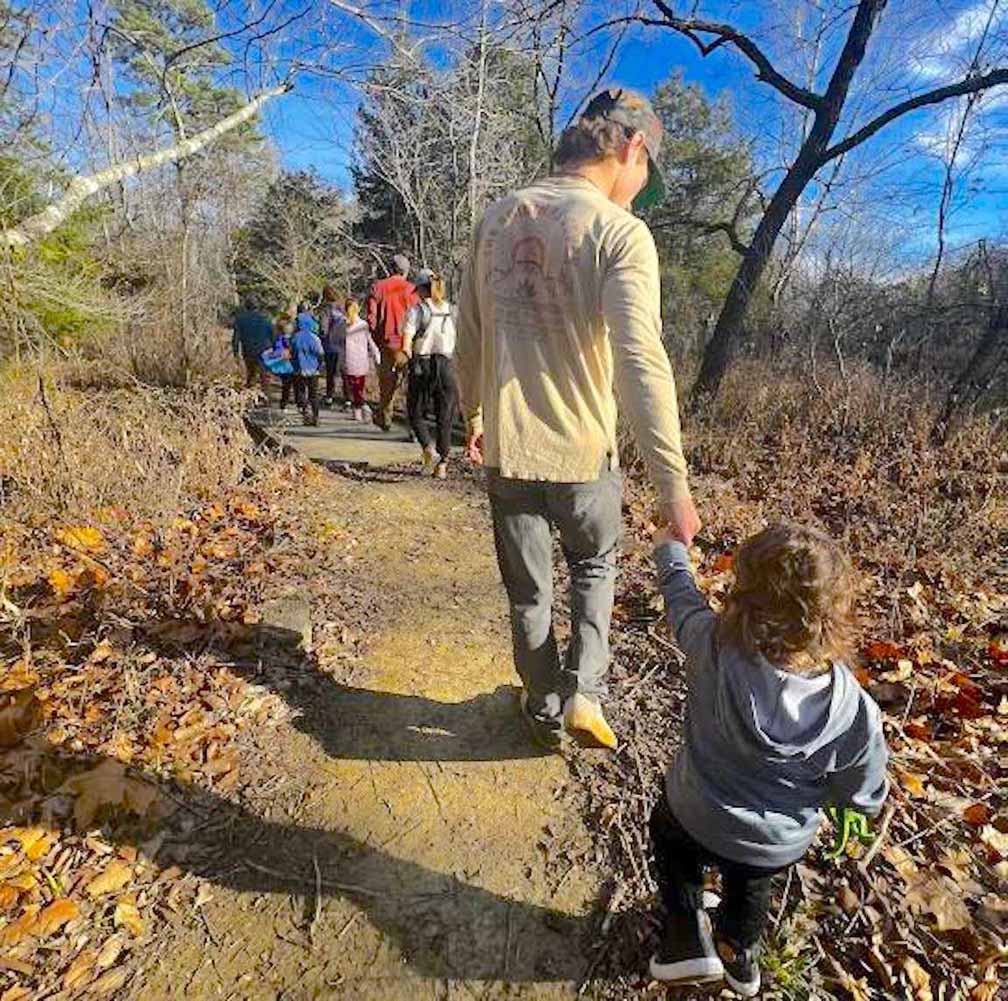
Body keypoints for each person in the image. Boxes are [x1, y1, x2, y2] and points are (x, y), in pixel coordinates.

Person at [455, 87, 699, 751]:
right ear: (631, 147)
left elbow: (469, 334)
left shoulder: (497, 218)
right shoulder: (619, 233)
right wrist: (671, 485)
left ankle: (540, 700)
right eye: (643, 174)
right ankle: (583, 691)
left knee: (527, 593)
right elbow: (640, 362)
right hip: (584, 457)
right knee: (593, 568)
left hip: (508, 448)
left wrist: (471, 412)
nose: (640, 190)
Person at [647, 522, 889, 996]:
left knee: (670, 838)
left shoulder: (714, 646)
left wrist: (670, 550)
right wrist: (855, 809)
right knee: (753, 884)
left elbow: (681, 600)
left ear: (744, 595)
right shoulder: (856, 710)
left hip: (697, 811)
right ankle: (740, 956)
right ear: (834, 615)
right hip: (776, 842)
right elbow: (861, 784)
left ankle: (685, 935)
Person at [402, 270, 459, 479]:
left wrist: (406, 359)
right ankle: (442, 464)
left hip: (422, 365)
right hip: (447, 366)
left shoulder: (416, 311)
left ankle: (427, 446)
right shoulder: (452, 311)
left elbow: (406, 345)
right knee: (445, 416)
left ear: (421, 290)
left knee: (415, 410)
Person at [366, 254, 419, 430]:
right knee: (409, 384)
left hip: (387, 343)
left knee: (387, 383)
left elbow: (371, 319)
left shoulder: (378, 288)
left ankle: (386, 417)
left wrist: (378, 339)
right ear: (406, 270)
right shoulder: (412, 291)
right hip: (407, 344)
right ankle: (412, 423)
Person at [343, 298, 380, 423]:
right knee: (359, 387)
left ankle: (361, 409)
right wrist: (377, 356)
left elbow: (336, 341)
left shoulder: (343, 325)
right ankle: (360, 409)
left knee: (353, 388)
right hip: (361, 359)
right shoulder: (363, 324)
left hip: (348, 359)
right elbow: (371, 342)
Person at [232, 295, 274, 394]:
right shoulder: (266, 319)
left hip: (248, 351)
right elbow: (273, 336)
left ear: (246, 306)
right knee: (265, 376)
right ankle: (265, 397)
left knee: (251, 375)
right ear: (258, 306)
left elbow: (235, 339)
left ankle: (251, 397)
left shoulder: (240, 320)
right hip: (264, 351)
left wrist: (236, 353)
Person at [291, 313, 325, 426]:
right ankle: (316, 417)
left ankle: (305, 409)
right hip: (313, 370)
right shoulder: (314, 338)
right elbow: (320, 353)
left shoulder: (295, 337)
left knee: (300, 392)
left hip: (299, 370)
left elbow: (292, 353)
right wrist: (319, 365)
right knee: (313, 395)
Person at [319, 286, 348, 407]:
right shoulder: (343, 308)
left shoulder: (326, 309)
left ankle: (329, 397)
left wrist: (321, 336)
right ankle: (348, 398)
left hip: (330, 345)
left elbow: (323, 328)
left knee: (330, 373)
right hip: (344, 344)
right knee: (344, 372)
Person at [272, 318, 297, 412]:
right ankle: (286, 404)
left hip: (285, 365)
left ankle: (285, 403)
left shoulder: (279, 338)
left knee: (287, 385)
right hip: (288, 365)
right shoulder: (289, 339)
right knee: (289, 385)